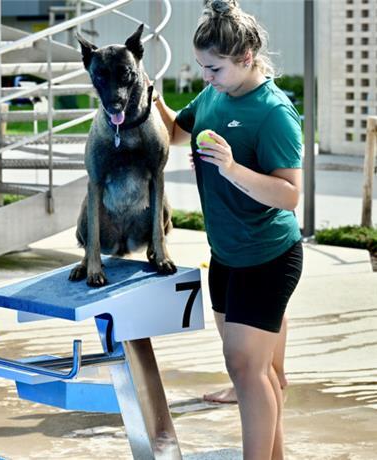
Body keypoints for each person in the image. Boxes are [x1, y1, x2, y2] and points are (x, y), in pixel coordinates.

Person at [152, 1, 303, 458]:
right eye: (202, 67)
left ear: (246, 59)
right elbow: (177, 133)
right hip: (226, 254)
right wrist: (152, 98)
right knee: (256, 371)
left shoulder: (273, 113)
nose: (206, 77)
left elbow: (290, 195)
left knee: (244, 368)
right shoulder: (215, 95)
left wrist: (233, 169)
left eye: (214, 68)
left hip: (267, 256)